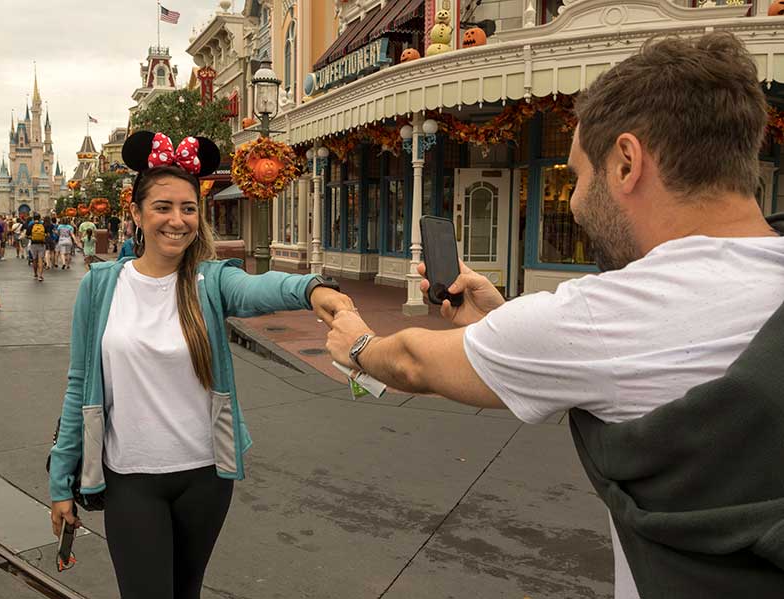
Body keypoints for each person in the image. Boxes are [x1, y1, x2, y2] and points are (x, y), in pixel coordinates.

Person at [327, 33, 784, 597]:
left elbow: (415, 363)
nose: (571, 201)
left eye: (576, 176)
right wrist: (504, 318)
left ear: (625, 163)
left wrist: (356, 344)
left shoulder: (605, 317)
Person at [48, 131, 355, 599]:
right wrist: (60, 480)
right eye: (163, 207)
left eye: (188, 208)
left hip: (204, 478)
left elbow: (258, 289)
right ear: (135, 212)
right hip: (130, 479)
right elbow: (77, 387)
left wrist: (315, 289)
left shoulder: (210, 280)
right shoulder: (101, 286)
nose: (177, 220)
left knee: (186, 592)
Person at [27, 212, 47, 281]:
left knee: (34, 259)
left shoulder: (31, 225)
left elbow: (27, 235)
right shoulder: (43, 225)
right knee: (40, 259)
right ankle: (40, 276)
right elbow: (47, 234)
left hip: (33, 244)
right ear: (40, 218)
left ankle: (35, 274)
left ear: (33, 218)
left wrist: (32, 237)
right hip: (41, 244)